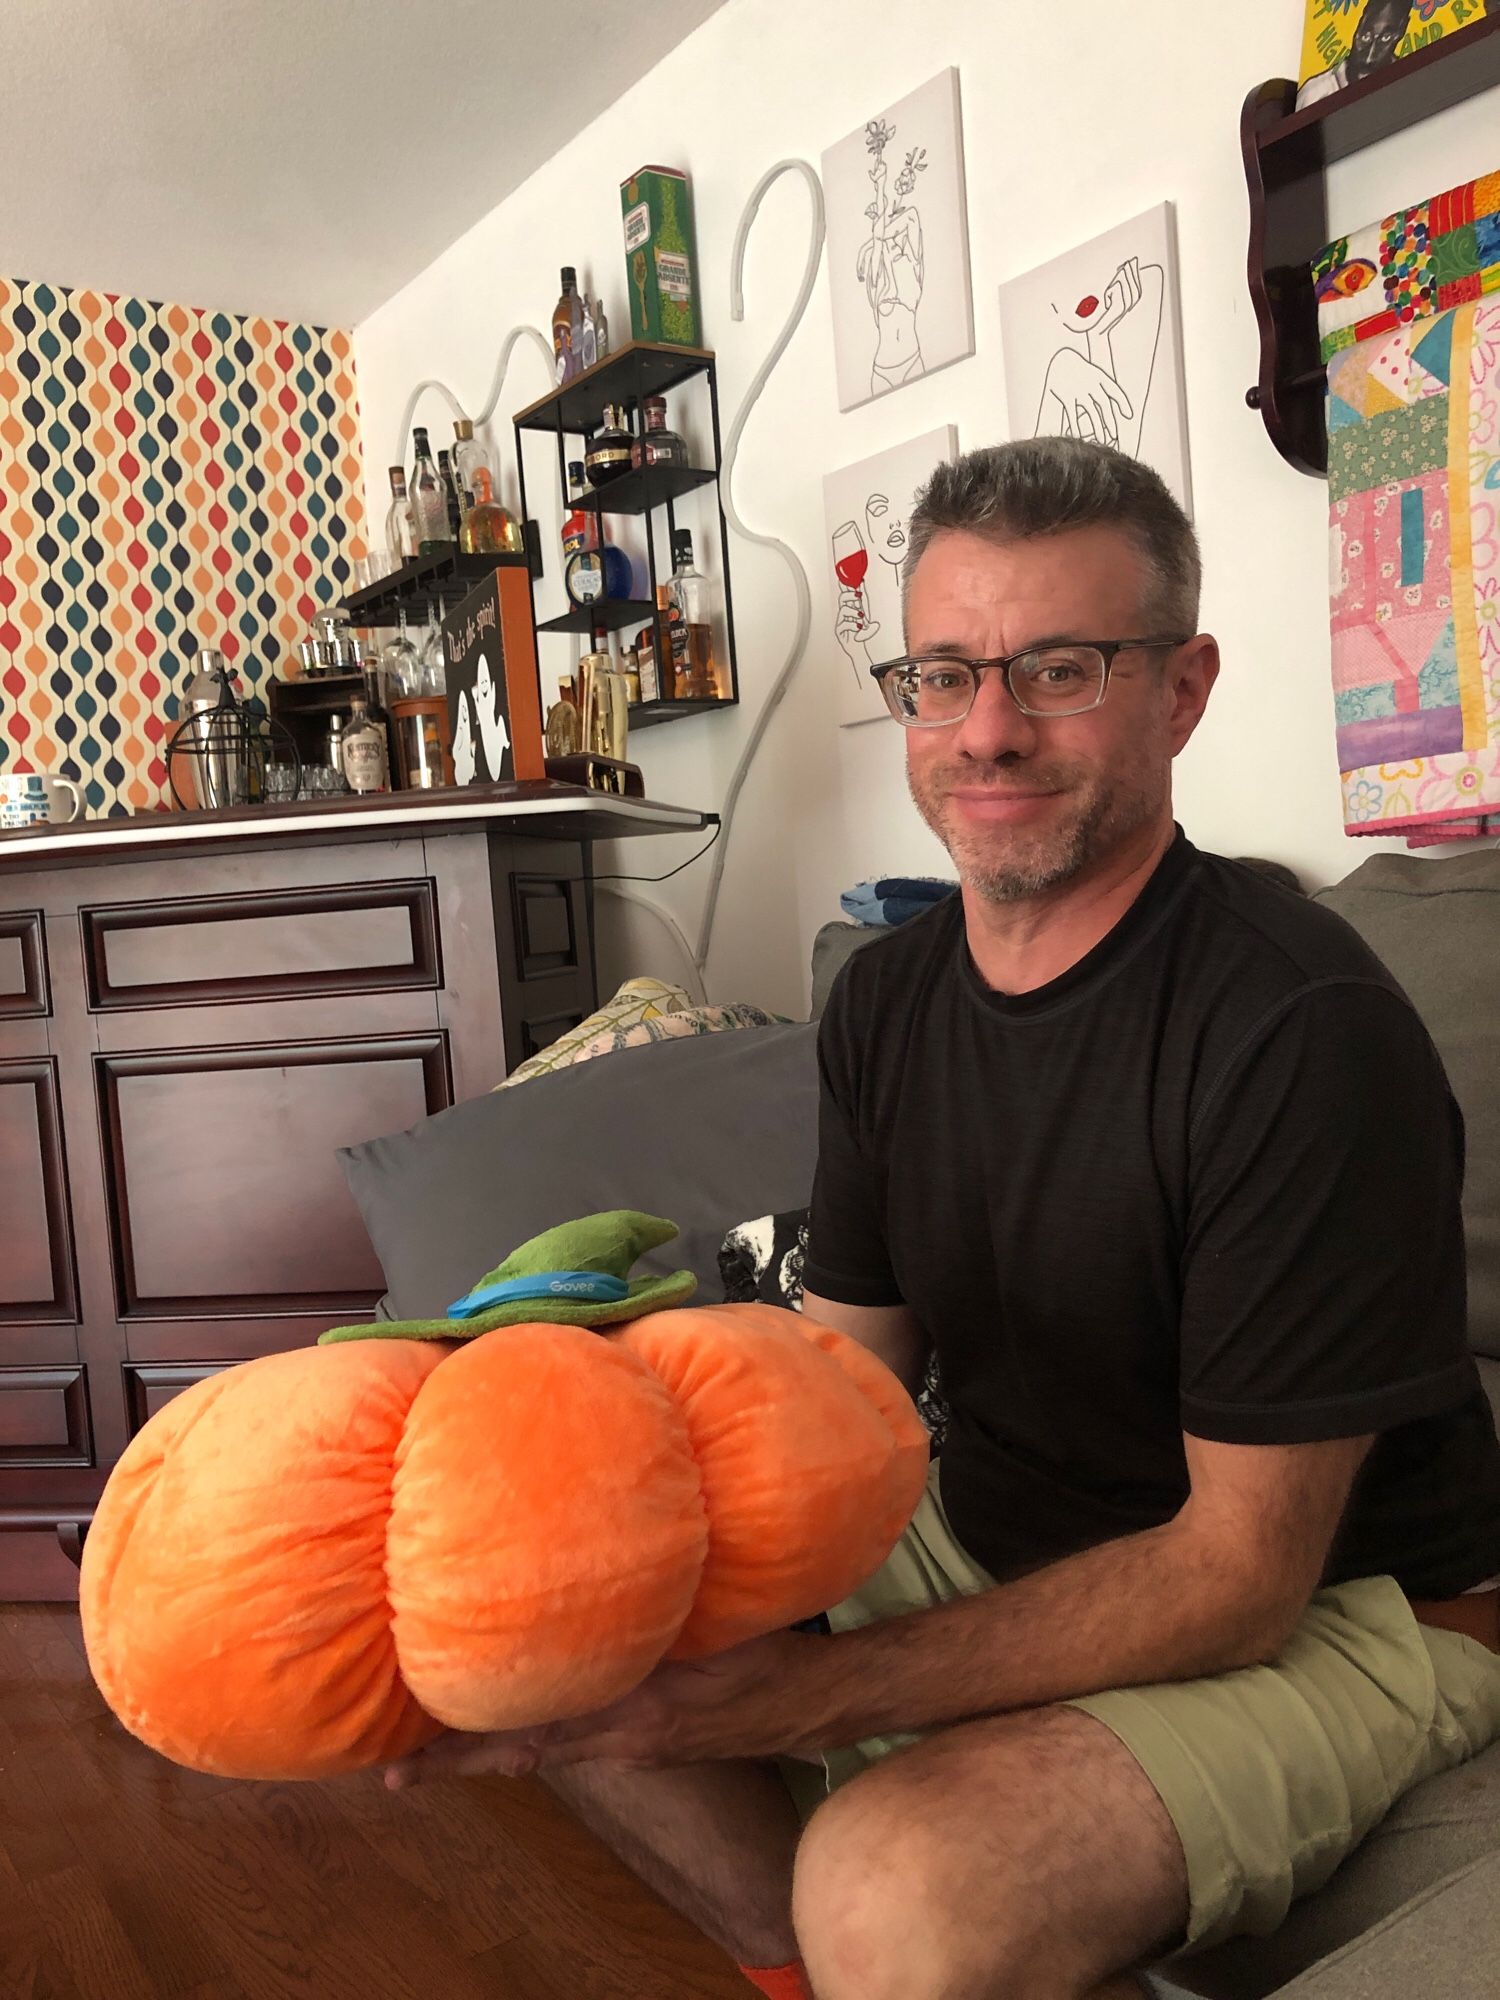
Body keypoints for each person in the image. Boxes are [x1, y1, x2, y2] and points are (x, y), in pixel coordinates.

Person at [386, 439, 1500, 2000]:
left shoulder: (1298, 1027)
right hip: (998, 1521)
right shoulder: (892, 997)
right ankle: (806, 1965)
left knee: (900, 1888)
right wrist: (562, 1433)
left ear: (1181, 691)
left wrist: (798, 1700)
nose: (988, 732)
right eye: (946, 674)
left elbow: (1237, 1576)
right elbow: (837, 1381)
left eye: (1059, 669)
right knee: (532, 1588)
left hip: (1346, 1612)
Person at [1299, 0, 1413, 106]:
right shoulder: (1314, 94)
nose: (1369, 58)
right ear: (1360, 23)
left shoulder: (1409, 89)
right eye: (1366, 37)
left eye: (1385, 38)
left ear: (1402, 30)